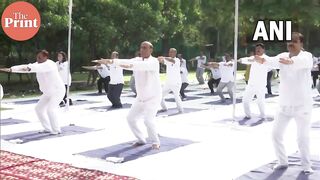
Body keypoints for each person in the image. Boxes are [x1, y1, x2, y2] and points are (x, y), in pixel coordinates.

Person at [255, 32, 314, 174]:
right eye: (289, 42)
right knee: (275, 134)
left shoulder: (306, 56)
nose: (291, 44)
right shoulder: (282, 56)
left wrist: (292, 62)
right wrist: (260, 59)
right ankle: (282, 161)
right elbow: (269, 60)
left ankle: (306, 166)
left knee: (302, 138)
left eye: (294, 41)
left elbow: (304, 63)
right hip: (284, 106)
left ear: (301, 44)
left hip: (302, 106)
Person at [94, 41, 162, 150]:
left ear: (151, 50)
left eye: (145, 48)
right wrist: (111, 62)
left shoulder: (154, 62)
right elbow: (126, 61)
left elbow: (135, 66)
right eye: (141, 47)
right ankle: (141, 139)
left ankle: (155, 141)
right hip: (140, 97)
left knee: (148, 120)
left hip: (153, 97)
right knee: (130, 119)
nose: (142, 50)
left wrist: (112, 61)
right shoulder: (137, 60)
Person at [0, 50, 65, 135]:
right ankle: (47, 128)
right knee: (38, 109)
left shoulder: (50, 64)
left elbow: (31, 68)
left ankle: (56, 130)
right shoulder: (38, 64)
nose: (38, 59)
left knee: (50, 109)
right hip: (48, 93)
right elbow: (27, 66)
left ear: (46, 57)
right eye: (37, 57)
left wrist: (15, 69)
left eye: (40, 57)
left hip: (58, 91)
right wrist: (11, 69)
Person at [239, 43, 270, 119]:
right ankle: (248, 115)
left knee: (260, 102)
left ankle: (262, 115)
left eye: (259, 48)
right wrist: (240, 60)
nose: (258, 50)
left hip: (261, 85)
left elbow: (272, 65)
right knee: (245, 100)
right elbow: (247, 59)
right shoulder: (253, 58)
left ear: (263, 49)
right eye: (256, 49)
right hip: (251, 84)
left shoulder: (267, 59)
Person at [158, 48, 184, 113]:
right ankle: (164, 108)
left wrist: (163, 57)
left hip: (176, 83)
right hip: (168, 83)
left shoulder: (177, 60)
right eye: (169, 52)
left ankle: (181, 110)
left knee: (176, 96)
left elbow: (171, 60)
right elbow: (162, 61)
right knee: (159, 95)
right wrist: (158, 59)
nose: (169, 53)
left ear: (175, 53)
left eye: (171, 52)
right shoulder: (167, 60)